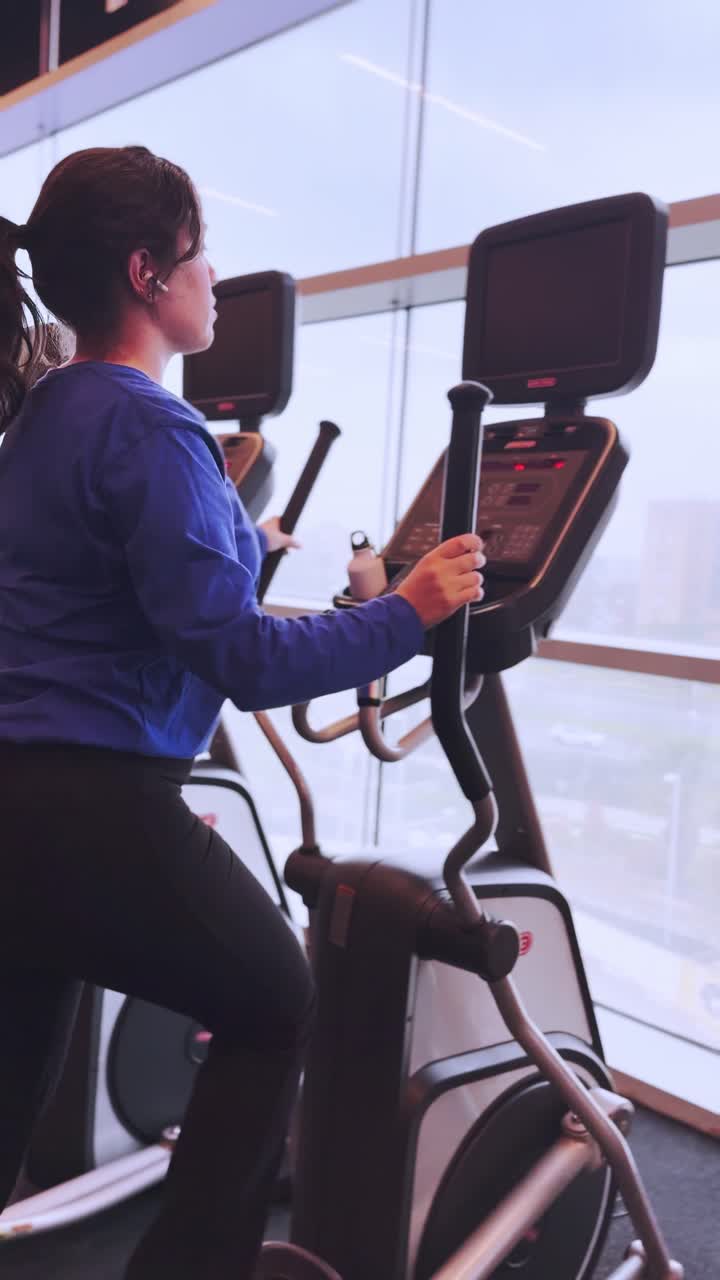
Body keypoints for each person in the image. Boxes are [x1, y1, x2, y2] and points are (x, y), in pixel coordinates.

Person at [0, 145, 485, 1279]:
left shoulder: (44, 416)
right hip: (97, 803)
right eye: (197, 253)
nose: (215, 275)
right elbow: (244, 659)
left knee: (11, 1067)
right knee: (275, 996)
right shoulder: (155, 427)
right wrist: (409, 610)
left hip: (13, 801)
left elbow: (98, 585)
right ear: (145, 271)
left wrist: (238, 546)